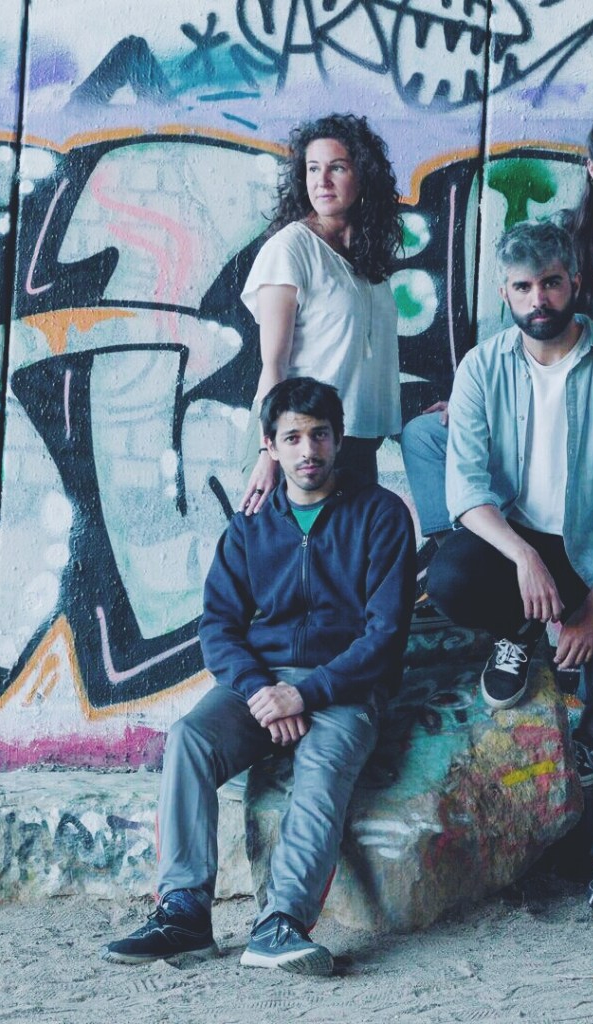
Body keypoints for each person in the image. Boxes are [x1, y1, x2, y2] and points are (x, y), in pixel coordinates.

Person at [102, 377, 415, 973]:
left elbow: (385, 636)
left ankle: (280, 924)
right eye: (292, 438)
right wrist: (262, 690)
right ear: (269, 446)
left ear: (339, 439)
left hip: (344, 689)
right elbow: (218, 626)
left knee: (321, 768)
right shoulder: (250, 525)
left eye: (319, 435)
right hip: (260, 686)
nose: (308, 450)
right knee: (189, 738)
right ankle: (184, 914)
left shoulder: (381, 515)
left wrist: (305, 693)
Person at [427, 220, 593, 926]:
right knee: (450, 577)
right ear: (505, 292)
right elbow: (466, 492)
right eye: (524, 287)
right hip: (515, 546)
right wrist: (524, 558)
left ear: (575, 284)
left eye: (552, 283)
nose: (539, 299)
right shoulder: (482, 367)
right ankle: (520, 631)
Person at [400, 77, 593, 637]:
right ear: (591, 168)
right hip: (541, 391)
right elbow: (529, 313)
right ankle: (479, 549)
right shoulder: (562, 234)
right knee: (424, 435)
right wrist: (477, 392)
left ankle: (551, 596)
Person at [239, 113, 403, 514]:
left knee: (351, 554)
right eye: (313, 169)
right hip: (299, 442)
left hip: (355, 443)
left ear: (363, 176)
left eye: (337, 168)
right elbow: (274, 364)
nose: (322, 181)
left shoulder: (368, 258)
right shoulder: (289, 250)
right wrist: (268, 453)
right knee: (290, 552)